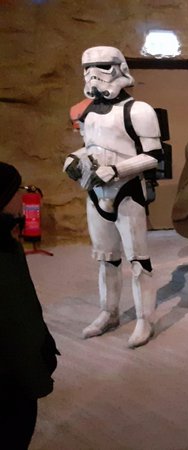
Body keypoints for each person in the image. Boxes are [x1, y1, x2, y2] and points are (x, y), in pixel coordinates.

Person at [63, 46, 163, 348]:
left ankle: (145, 319)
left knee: (138, 260)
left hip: (127, 192)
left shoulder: (139, 111)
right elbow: (92, 146)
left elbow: (154, 155)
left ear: (120, 68)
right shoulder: (87, 112)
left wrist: (119, 170)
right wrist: (74, 159)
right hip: (95, 191)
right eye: (87, 68)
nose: (93, 75)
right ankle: (108, 312)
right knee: (106, 259)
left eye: (103, 66)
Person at [0, 162, 59, 449]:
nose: (22, 196)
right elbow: (15, 317)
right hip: (11, 378)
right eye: (17, 190)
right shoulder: (3, 248)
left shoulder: (7, 241)